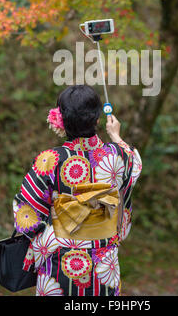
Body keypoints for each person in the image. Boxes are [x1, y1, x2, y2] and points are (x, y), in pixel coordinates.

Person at [13, 85, 142, 296]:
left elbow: (26, 212)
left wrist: (46, 240)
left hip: (59, 260)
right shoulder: (119, 156)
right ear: (98, 119)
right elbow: (135, 165)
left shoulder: (50, 160)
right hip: (104, 262)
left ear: (61, 120)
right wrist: (116, 136)